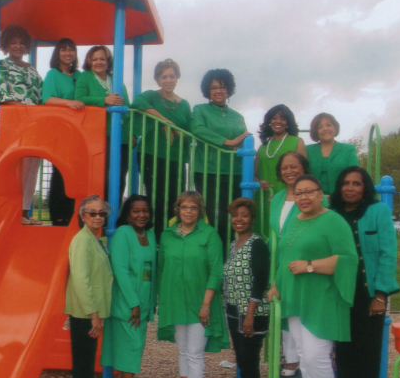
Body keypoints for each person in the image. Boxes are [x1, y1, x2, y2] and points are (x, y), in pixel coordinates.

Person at [267, 175, 357, 378]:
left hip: (322, 297)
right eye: (299, 193)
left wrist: (310, 266)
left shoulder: (333, 221)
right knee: (304, 356)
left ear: (321, 194)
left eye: (309, 192)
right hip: (295, 296)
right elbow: (286, 256)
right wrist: (276, 284)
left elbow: (348, 259)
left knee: (317, 357)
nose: (303, 197)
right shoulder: (294, 221)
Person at [330, 166, 399, 378]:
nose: (350, 188)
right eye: (345, 183)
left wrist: (380, 295)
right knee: (343, 353)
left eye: (356, 184)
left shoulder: (378, 211)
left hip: (369, 294)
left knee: (367, 354)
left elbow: (387, 254)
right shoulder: (333, 214)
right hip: (341, 295)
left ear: (365, 187)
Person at [157, 191, 229, 378]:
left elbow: (216, 272)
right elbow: (162, 268)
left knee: (195, 353)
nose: (188, 211)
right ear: (177, 209)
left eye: (194, 207)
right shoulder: (167, 236)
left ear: (200, 211)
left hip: (201, 306)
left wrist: (206, 305)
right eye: (184, 206)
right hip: (176, 302)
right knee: (183, 352)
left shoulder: (209, 235)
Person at [101, 194, 156, 378]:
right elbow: (120, 271)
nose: (141, 215)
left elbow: (150, 268)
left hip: (141, 303)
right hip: (127, 303)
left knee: (129, 350)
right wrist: (134, 303)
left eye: (145, 210)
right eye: (135, 211)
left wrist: (148, 302)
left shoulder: (149, 234)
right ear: (127, 214)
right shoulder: (123, 233)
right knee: (132, 351)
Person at [64, 195, 113, 378]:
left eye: (102, 213)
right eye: (92, 213)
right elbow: (81, 280)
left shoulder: (93, 239)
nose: (97, 217)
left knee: (86, 363)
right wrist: (93, 313)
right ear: (82, 215)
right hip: (85, 314)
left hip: (90, 312)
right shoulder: (82, 241)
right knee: (83, 364)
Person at [222, 198, 270, 378]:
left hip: (251, 313)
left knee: (249, 364)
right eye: (235, 215)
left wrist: (249, 314)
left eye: (244, 215)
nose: (238, 220)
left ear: (252, 218)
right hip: (233, 312)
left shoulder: (257, 243)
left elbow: (260, 281)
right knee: (243, 362)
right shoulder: (234, 244)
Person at [130, 59, 192, 239]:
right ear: (158, 79)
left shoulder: (184, 104)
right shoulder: (151, 96)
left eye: (172, 76)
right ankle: (154, 238)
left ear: (177, 78)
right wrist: (166, 122)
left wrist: (175, 131)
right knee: (155, 196)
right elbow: (137, 103)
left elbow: (188, 132)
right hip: (151, 154)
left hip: (175, 157)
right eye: (164, 76)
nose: (168, 80)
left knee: (176, 199)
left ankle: (170, 238)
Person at [190, 69, 251, 245]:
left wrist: (239, 143)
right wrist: (227, 142)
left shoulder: (237, 116)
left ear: (229, 89)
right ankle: (219, 255)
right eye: (213, 87)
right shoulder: (200, 109)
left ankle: (233, 255)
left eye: (222, 87)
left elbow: (243, 138)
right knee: (217, 218)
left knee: (235, 216)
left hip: (234, 171)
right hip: (208, 171)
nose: (218, 91)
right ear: (207, 91)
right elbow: (198, 129)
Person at [0, 24, 44, 225]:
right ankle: (8, 211)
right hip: (13, 122)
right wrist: (24, 112)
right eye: (13, 42)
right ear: (6, 45)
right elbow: (2, 95)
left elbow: (40, 96)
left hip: (34, 123)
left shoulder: (32, 69)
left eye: (21, 43)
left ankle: (24, 213)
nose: (17, 46)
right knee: (14, 167)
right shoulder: (1, 66)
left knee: (32, 168)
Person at [268, 152, 311, 378]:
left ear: (303, 169)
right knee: (283, 308)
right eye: (284, 168)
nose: (289, 171)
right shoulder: (276, 198)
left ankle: (306, 359)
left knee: (300, 309)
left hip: (300, 258)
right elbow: (275, 230)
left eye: (294, 167)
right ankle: (292, 359)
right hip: (279, 260)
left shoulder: (311, 196)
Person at [74, 46, 132, 201]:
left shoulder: (116, 79)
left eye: (102, 59)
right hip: (99, 135)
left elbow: (127, 106)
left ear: (108, 62)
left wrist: (131, 133)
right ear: (89, 61)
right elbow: (80, 98)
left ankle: (114, 216)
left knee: (120, 177)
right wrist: (104, 101)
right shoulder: (86, 76)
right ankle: (100, 219)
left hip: (120, 136)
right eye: (94, 59)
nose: (98, 62)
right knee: (102, 177)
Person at [42, 38, 84, 226]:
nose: (68, 53)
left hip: (80, 130)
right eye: (64, 50)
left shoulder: (79, 75)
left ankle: (73, 215)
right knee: (60, 172)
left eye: (71, 50)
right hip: (61, 128)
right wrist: (69, 103)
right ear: (57, 53)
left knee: (76, 173)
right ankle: (58, 216)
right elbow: (47, 99)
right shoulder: (53, 74)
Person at [253, 105, 307, 237]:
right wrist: (260, 182)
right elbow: (254, 175)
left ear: (288, 122)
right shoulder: (263, 146)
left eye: (283, 118)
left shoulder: (297, 142)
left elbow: (305, 174)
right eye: (274, 118)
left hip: (289, 197)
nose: (278, 121)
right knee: (263, 235)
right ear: (269, 122)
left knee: (287, 235)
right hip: (263, 199)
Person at [306, 113, 359, 197]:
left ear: (335, 127)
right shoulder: (307, 150)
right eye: (320, 127)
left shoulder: (349, 150)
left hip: (342, 200)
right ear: (316, 131)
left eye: (328, 125)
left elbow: (355, 176)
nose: (325, 129)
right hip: (313, 200)